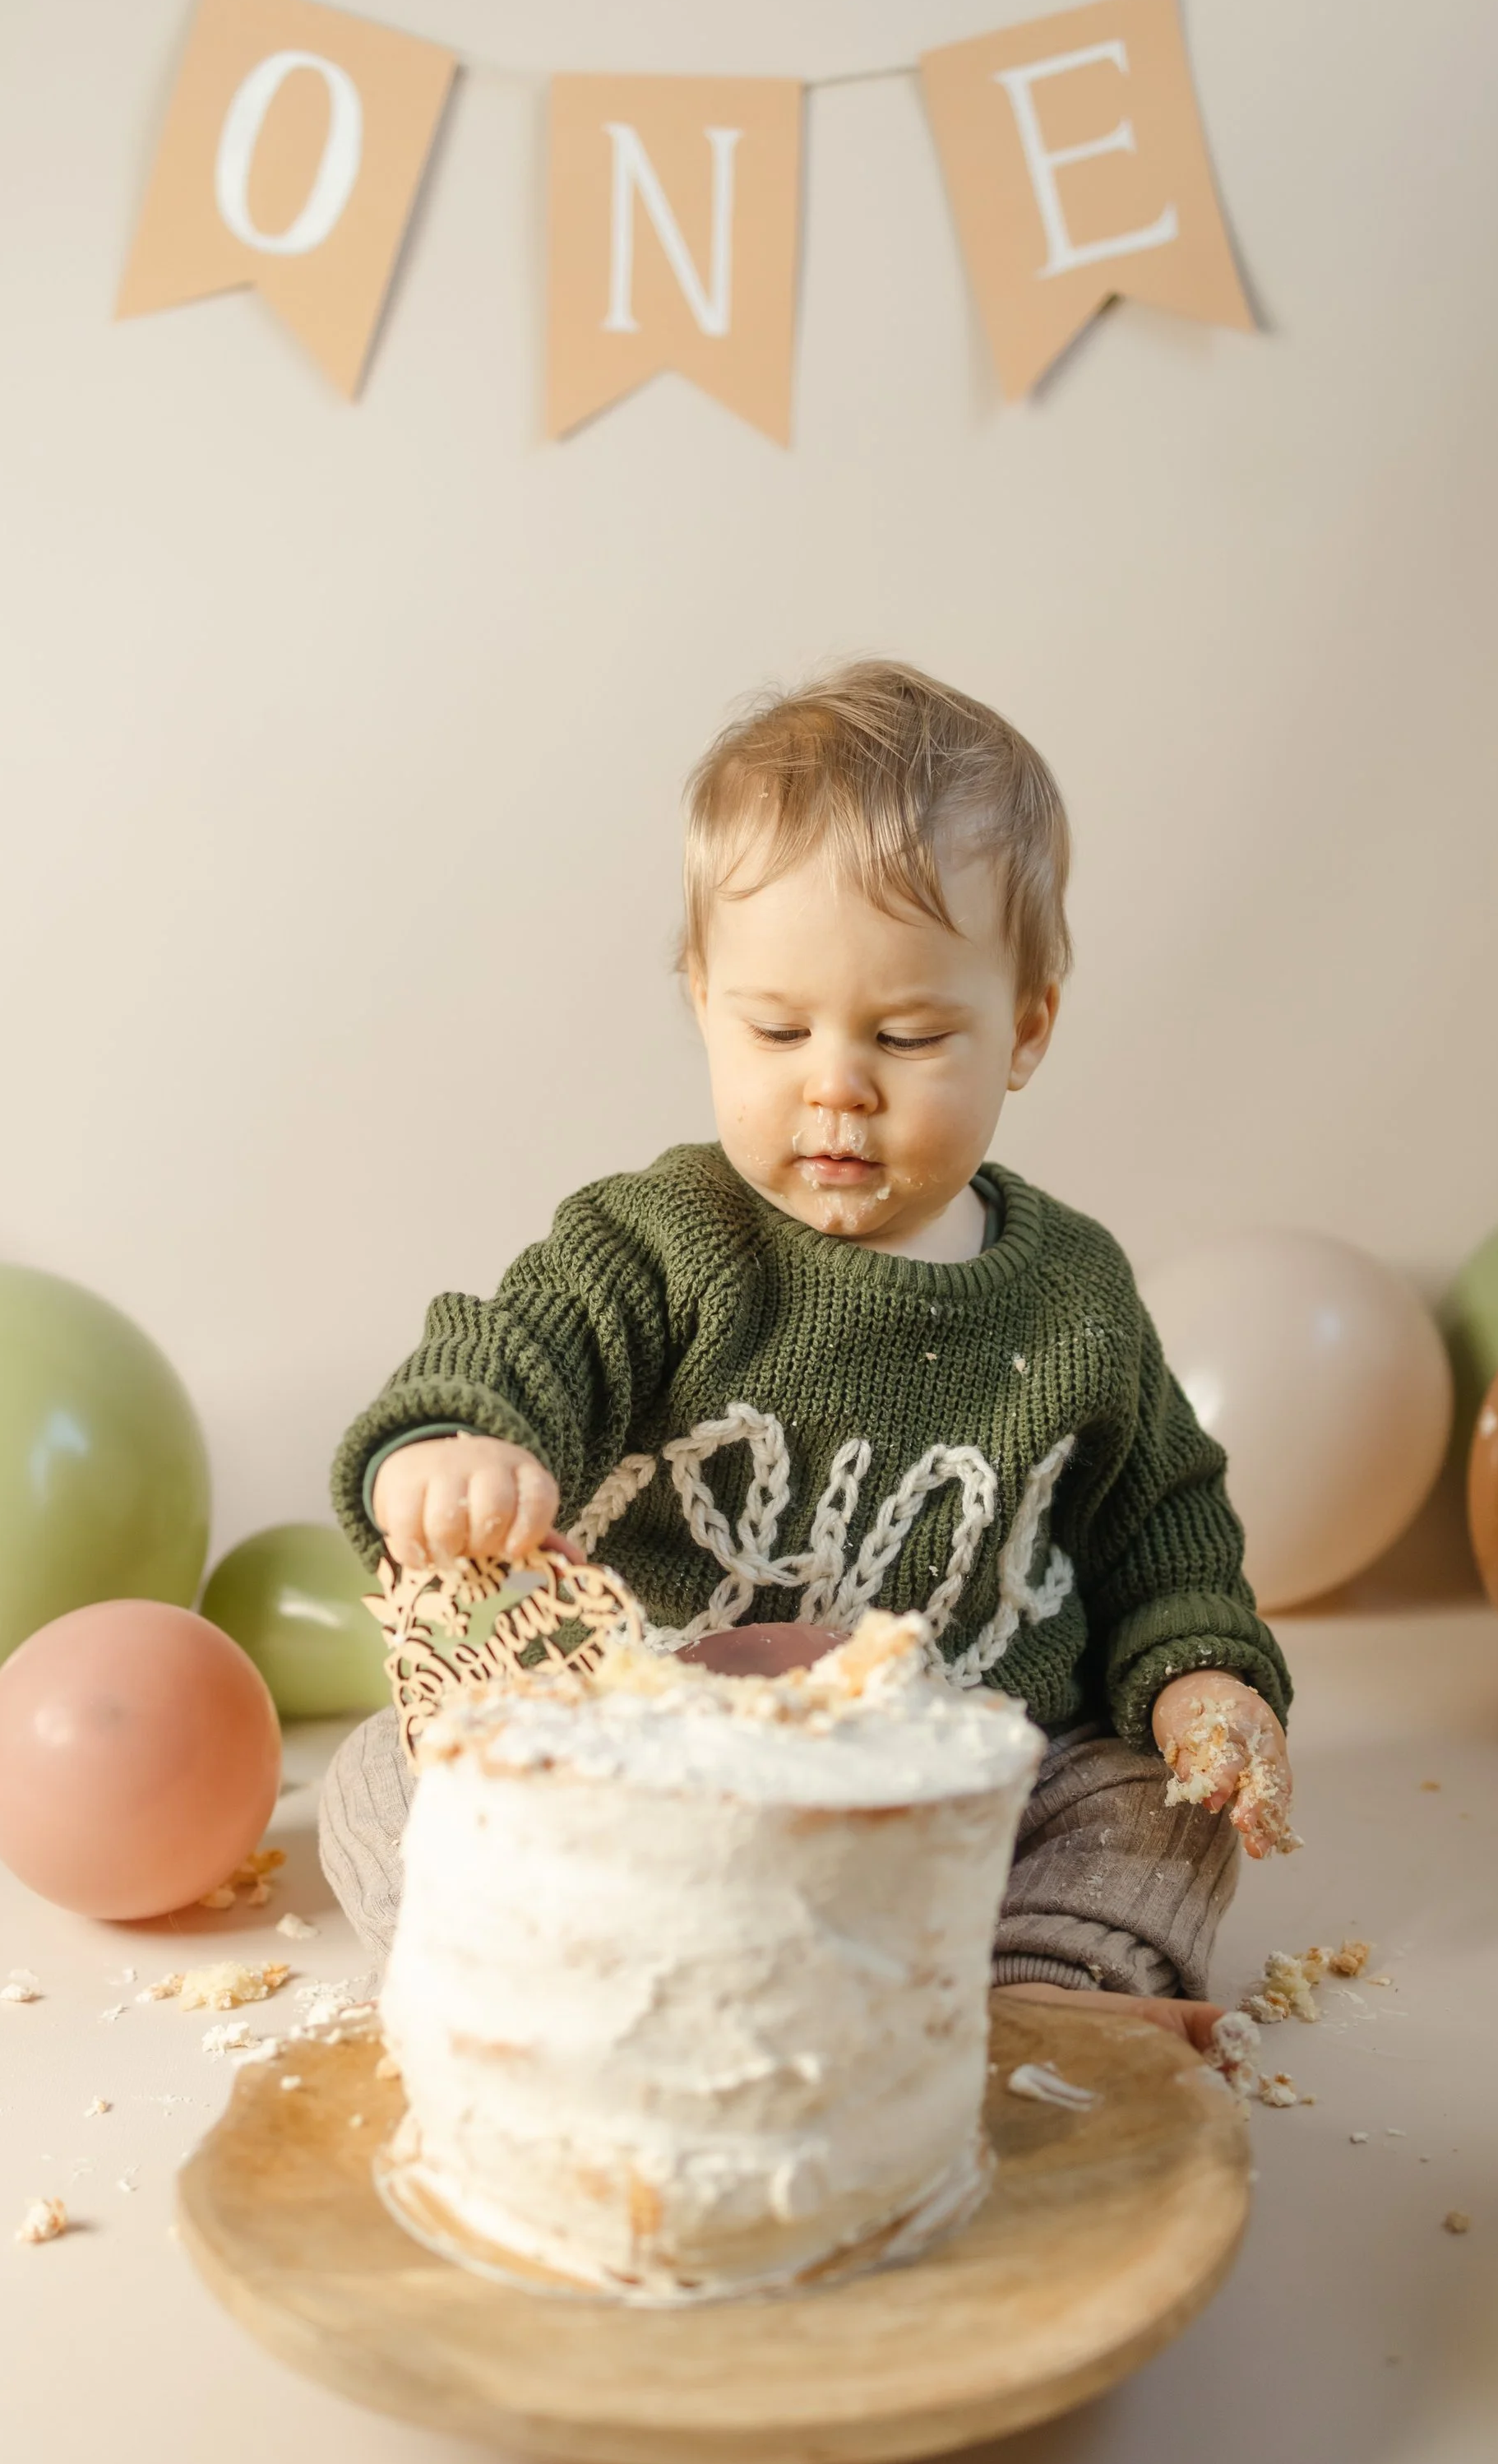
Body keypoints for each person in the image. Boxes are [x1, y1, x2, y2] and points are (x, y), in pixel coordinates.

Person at [324, 662, 1293, 2046]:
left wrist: (1202, 1672)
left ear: (1025, 1027)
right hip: (653, 1805)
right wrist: (455, 1447)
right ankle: (554, 1973)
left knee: (1155, 1815)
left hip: (972, 1805)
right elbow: (514, 1350)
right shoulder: (659, 1243)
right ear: (704, 996)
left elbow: (1167, 1526)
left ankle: (1038, 2009)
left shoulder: (1075, 1298)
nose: (835, 1082)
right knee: (382, 1774)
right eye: (778, 1028)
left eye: (906, 1035)